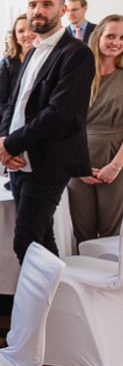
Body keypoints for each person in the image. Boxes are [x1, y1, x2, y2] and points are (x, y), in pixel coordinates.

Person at [0, 0, 95, 261]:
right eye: (33, 4)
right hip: (18, 159)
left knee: (25, 240)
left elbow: (59, 113)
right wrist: (3, 141)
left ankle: (37, 304)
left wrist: (11, 144)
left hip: (49, 159)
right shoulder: (34, 50)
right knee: (42, 235)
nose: (38, 10)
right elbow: (15, 103)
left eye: (47, 4)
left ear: (62, 9)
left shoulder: (76, 53)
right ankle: (56, 300)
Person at [66, 15, 123, 247]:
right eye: (111, 35)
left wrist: (116, 166)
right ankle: (83, 281)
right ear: (98, 36)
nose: (117, 42)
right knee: (82, 230)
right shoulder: (78, 74)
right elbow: (63, 122)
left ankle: (109, 282)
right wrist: (76, 164)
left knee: (111, 232)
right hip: (78, 157)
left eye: (122, 38)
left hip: (116, 159)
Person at [0, 15, 37, 126]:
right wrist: (15, 119)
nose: (27, 34)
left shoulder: (49, 59)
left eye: (31, 28)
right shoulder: (6, 64)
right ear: (15, 37)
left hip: (39, 124)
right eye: (21, 31)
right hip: (11, 123)